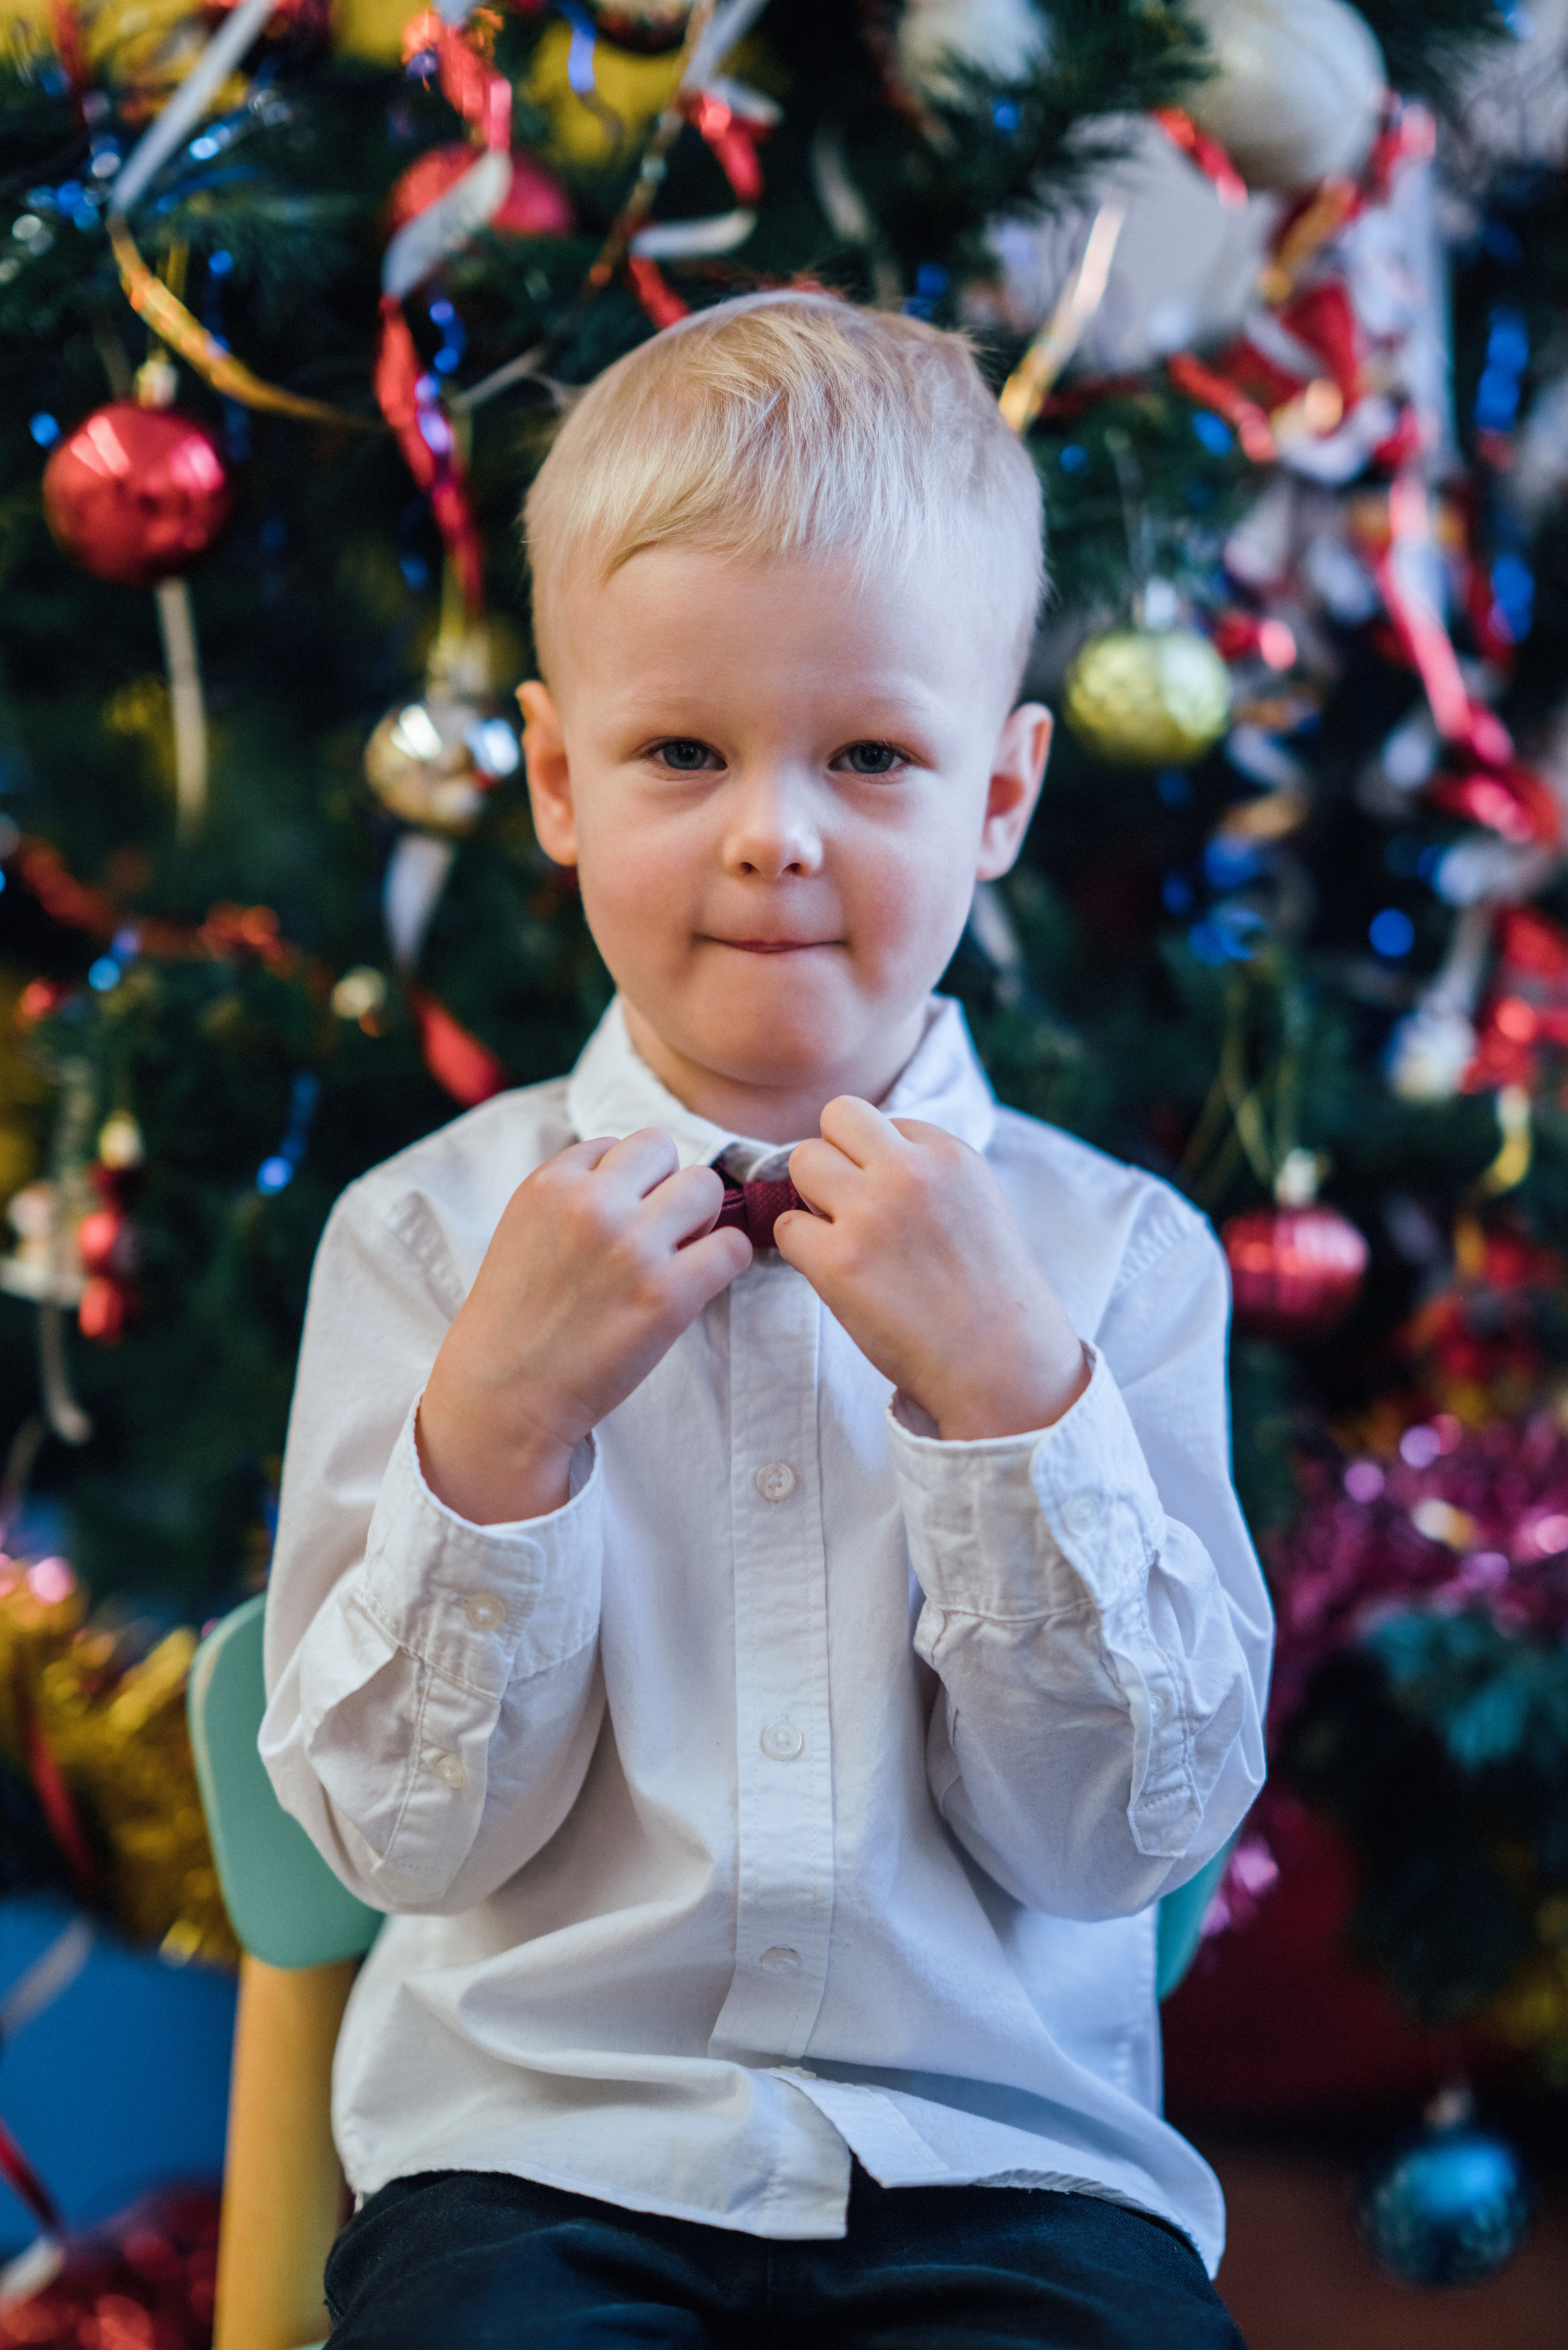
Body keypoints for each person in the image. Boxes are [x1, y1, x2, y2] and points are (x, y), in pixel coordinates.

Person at [260, 291, 1271, 2348]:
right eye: (682, 750)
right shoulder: (420, 1243)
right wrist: (505, 1431)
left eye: (871, 754)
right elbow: (397, 1835)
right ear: (555, 778)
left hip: (1012, 2183)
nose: (773, 830)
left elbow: (1122, 1839)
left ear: (997, 799)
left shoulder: (1126, 1261)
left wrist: (1008, 1396)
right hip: (538, 2166)